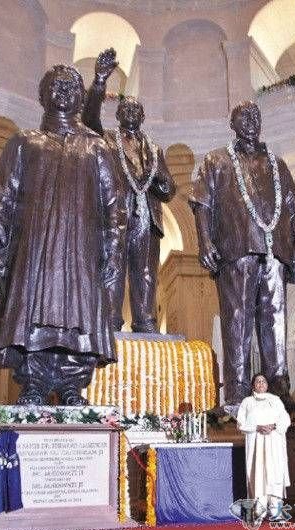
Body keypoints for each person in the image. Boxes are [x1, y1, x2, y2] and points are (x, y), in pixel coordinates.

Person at [0, 64, 123, 405]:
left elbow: (114, 207)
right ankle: (34, 383)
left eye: (72, 86)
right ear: (43, 95)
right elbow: (3, 196)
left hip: (81, 252)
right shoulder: (24, 142)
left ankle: (74, 385)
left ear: (80, 97)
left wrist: (113, 251)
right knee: (32, 317)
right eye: (56, 85)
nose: (64, 91)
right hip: (35, 249)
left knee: (80, 320)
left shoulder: (97, 147)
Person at [189, 101, 295, 407]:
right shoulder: (216, 160)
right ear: (232, 123)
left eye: (255, 115)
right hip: (236, 249)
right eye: (244, 116)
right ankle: (237, 393)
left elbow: (293, 210)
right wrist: (204, 242)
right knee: (236, 321)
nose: (251, 120)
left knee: (275, 320)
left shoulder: (277, 164)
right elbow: (201, 203)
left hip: (275, 251)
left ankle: (279, 389)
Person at [82, 48, 176, 333]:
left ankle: (145, 322)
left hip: (147, 219)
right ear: (119, 114)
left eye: (136, 109)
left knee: (145, 272)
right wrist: (99, 81)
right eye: (126, 109)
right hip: (115, 215)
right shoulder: (108, 139)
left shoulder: (155, 149)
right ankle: (110, 321)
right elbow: (88, 121)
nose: (131, 112)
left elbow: (169, 189)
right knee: (113, 267)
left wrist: (160, 177)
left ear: (143, 116)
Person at [237, 373, 291, 521]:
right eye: (257, 381)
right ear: (253, 385)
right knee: (258, 475)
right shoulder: (247, 402)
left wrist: (274, 426)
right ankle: (258, 511)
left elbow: (285, 419)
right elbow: (240, 423)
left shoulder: (275, 400)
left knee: (274, 474)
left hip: (274, 443)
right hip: (256, 444)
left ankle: (276, 511)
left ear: (267, 385)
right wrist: (257, 427)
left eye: (263, 381)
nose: (260, 384)